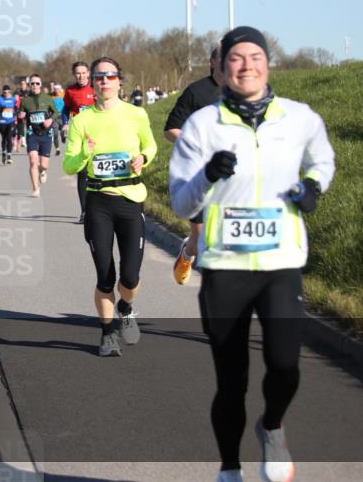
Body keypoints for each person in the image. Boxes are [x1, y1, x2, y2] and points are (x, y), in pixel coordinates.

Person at [169, 27, 335, 482]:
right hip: (225, 265)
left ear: (268, 63)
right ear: (222, 69)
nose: (247, 65)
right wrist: (207, 175)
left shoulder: (300, 118)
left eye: (255, 56)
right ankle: (229, 468)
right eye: (236, 58)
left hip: (280, 261)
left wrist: (314, 187)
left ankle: (273, 425)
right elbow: (182, 202)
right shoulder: (203, 126)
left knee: (285, 364)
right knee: (232, 379)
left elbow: (323, 159)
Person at [63, 57, 157, 357]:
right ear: (93, 82)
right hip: (98, 202)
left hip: (130, 199)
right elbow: (68, 165)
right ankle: (107, 335)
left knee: (129, 276)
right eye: (98, 77)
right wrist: (84, 156)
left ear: (119, 81)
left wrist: (144, 158)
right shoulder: (82, 120)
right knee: (105, 275)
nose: (103, 81)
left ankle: (126, 307)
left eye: (109, 76)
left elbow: (151, 145)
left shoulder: (136, 114)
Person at [164, 46, 223, 285]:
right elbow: (170, 130)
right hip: (200, 176)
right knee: (200, 238)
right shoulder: (196, 92)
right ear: (212, 60)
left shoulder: (247, 93)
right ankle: (187, 253)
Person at [62, 61, 96, 224]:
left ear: (88, 73)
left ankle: (98, 209)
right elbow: (65, 110)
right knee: (82, 173)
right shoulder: (70, 91)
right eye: (78, 73)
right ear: (74, 75)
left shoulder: (96, 88)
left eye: (84, 72)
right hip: (79, 135)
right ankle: (84, 211)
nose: (81, 76)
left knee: (95, 172)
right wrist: (65, 123)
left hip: (97, 135)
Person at [18, 74, 56, 197]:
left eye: (37, 83)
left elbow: (56, 112)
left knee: (43, 165)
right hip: (32, 133)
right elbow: (20, 113)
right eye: (32, 83)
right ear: (29, 86)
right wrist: (20, 115)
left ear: (40, 85)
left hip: (45, 134)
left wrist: (50, 120)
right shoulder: (25, 100)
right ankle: (35, 189)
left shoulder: (47, 98)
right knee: (33, 161)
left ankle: (43, 171)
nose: (35, 85)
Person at [0, 85, 19, 164]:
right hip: (2, 122)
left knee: (9, 137)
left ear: (10, 91)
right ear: (2, 92)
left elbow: (16, 108)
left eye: (8, 92)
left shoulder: (13, 99)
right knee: (4, 138)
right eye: (5, 92)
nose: (6, 93)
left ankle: (9, 156)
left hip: (11, 121)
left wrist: (16, 111)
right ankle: (4, 152)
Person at [50, 83, 65, 156]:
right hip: (54, 117)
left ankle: (63, 137)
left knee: (63, 131)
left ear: (60, 89)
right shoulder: (51, 96)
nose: (56, 91)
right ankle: (57, 149)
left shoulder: (63, 95)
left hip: (62, 116)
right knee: (55, 134)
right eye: (55, 89)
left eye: (58, 89)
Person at [15, 78, 29, 149]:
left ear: (26, 85)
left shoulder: (29, 92)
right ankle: (23, 142)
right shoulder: (17, 92)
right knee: (21, 127)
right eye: (21, 84)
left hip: (28, 110)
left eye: (23, 84)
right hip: (20, 111)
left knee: (29, 126)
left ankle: (29, 140)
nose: (22, 85)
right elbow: (16, 102)